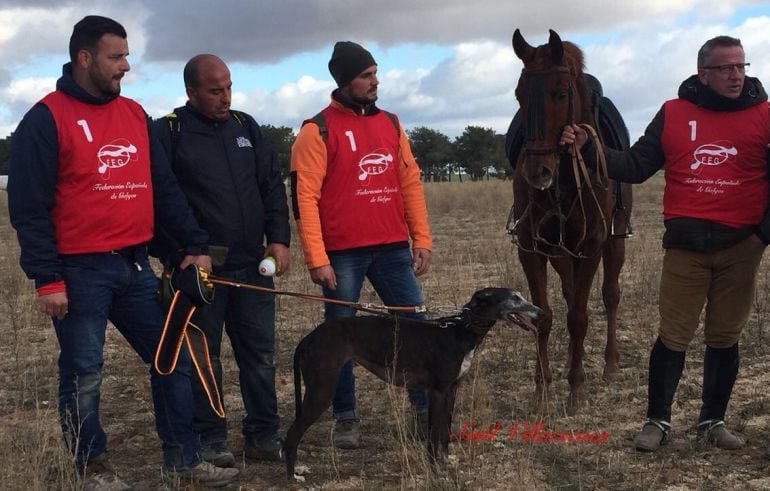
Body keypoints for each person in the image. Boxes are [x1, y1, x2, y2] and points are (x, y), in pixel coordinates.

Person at [7, 16, 239, 488]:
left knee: (169, 356)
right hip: (78, 272)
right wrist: (46, 278)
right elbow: (28, 207)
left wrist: (192, 246)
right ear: (85, 58)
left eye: (127, 56)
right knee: (84, 373)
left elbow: (165, 191)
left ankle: (184, 459)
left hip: (134, 266)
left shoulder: (135, 115)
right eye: (116, 57)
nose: (126, 66)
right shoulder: (45, 119)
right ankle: (91, 467)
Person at [561, 35, 770, 452]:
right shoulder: (673, 114)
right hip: (685, 248)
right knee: (673, 336)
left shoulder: (765, 116)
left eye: (741, 67)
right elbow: (636, 166)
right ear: (702, 73)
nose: (736, 75)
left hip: (740, 249)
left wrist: (760, 237)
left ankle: (713, 421)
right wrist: (590, 149)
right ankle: (657, 421)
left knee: (725, 337)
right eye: (726, 68)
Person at [290, 41, 433, 449]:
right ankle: (345, 418)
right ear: (344, 81)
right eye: (366, 76)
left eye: (375, 73)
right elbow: (305, 200)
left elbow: (410, 183)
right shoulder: (316, 129)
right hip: (342, 255)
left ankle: (424, 410)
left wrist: (420, 238)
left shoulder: (391, 123)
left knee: (416, 328)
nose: (375, 82)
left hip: (391, 250)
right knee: (339, 339)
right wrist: (317, 259)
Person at [152, 54, 291, 467]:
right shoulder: (169, 133)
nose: (225, 97)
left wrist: (279, 239)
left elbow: (271, 187)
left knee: (260, 355)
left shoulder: (246, 127)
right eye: (215, 91)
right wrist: (179, 255)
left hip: (254, 268)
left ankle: (263, 435)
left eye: (229, 87)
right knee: (202, 359)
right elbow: (159, 201)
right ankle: (211, 439)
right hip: (201, 275)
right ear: (191, 92)